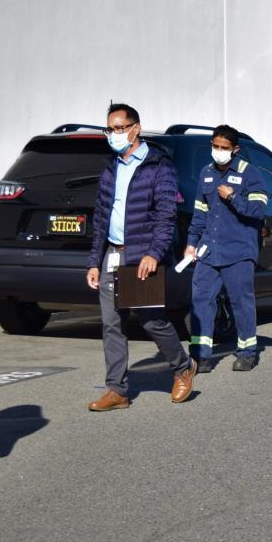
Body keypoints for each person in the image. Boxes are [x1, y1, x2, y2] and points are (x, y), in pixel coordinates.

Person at [86, 104, 196, 410]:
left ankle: (182, 366)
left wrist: (154, 253)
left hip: (141, 256)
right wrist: (94, 261)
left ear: (136, 128)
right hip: (112, 254)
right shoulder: (111, 166)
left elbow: (166, 214)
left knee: (151, 321)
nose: (114, 135)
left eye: (119, 128)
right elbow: (100, 218)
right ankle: (116, 390)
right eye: (110, 129)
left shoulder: (158, 164)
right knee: (112, 325)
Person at [186, 125, 268, 372]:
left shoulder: (249, 174)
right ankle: (201, 355)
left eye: (224, 148)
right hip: (208, 250)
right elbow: (200, 213)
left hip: (239, 251)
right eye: (215, 146)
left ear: (235, 149)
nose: (218, 151)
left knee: (241, 302)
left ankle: (247, 351)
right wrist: (191, 243)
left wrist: (233, 197)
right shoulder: (206, 173)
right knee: (201, 300)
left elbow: (259, 210)